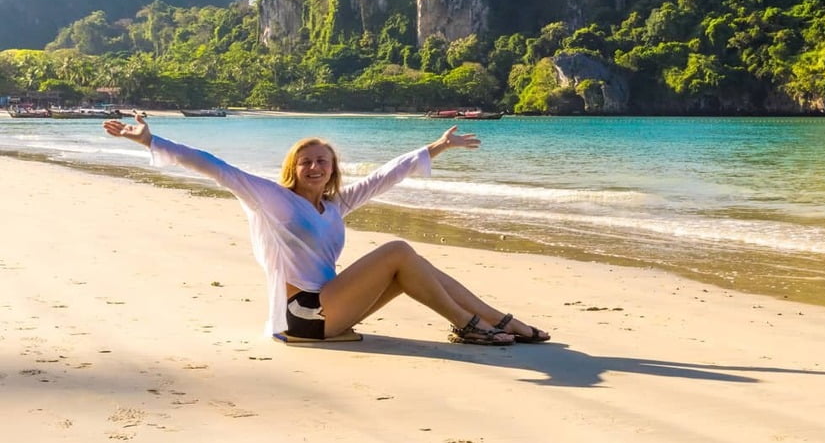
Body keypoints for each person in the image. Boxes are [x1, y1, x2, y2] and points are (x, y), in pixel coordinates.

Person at [102, 113, 550, 346]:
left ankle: (495, 320)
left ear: (332, 169)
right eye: (306, 161)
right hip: (303, 316)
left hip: (329, 311)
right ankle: (471, 325)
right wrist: (149, 141)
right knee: (397, 250)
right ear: (292, 167)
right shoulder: (270, 198)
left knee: (412, 263)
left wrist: (439, 145)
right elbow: (213, 166)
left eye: (323, 161)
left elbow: (384, 176)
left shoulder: (335, 204)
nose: (315, 167)